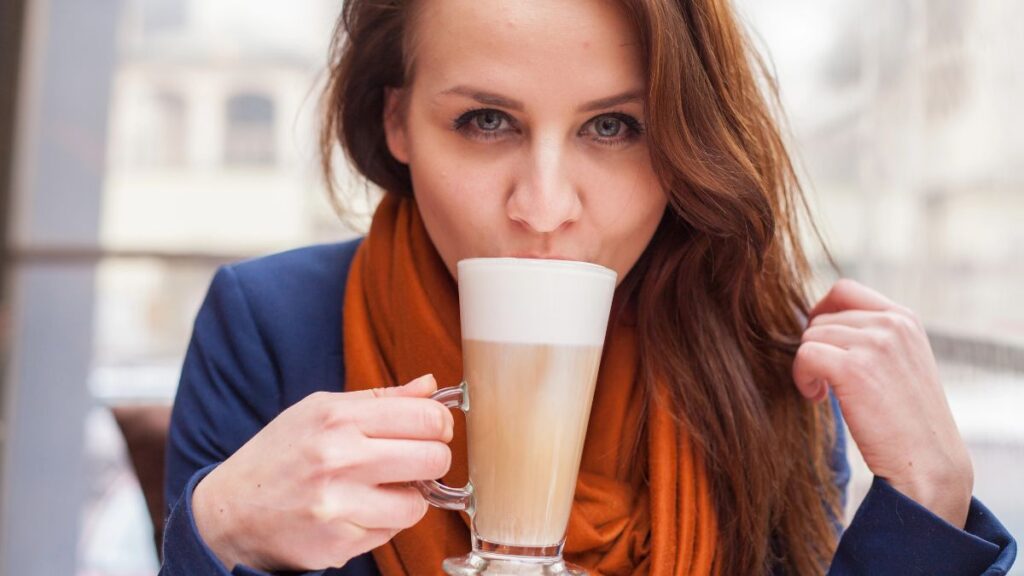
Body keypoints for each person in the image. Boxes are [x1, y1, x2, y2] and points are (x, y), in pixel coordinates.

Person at [160, 0, 1016, 574]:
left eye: (613, 126)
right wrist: (221, 528)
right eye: (485, 121)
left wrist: (927, 505)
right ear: (397, 121)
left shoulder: (761, 356)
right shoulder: (268, 324)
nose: (543, 207)